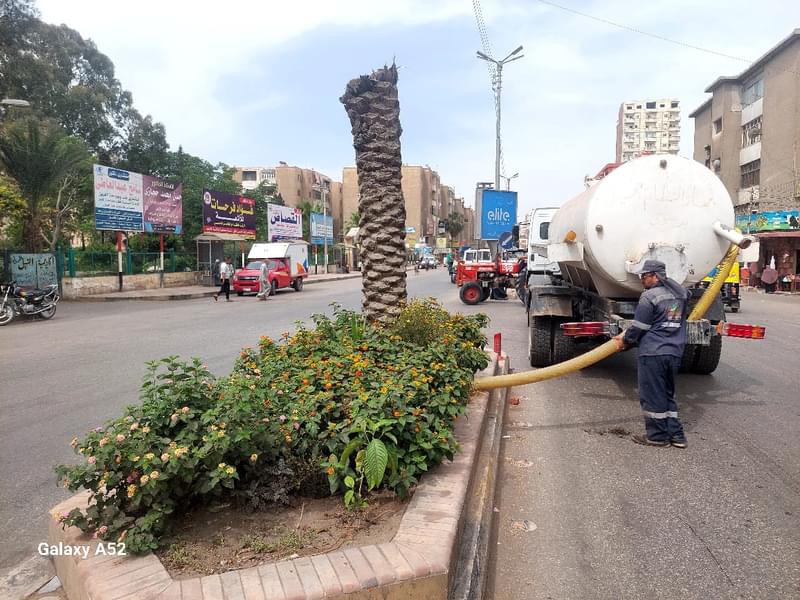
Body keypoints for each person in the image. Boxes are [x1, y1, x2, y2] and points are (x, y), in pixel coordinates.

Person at [613, 259, 691, 448]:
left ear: (655, 277)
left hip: (653, 352)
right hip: (674, 352)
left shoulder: (649, 297)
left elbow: (640, 327)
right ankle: (676, 436)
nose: (641, 279)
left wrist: (625, 342)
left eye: (644, 276)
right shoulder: (681, 294)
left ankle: (657, 436)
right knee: (666, 393)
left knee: (652, 395)